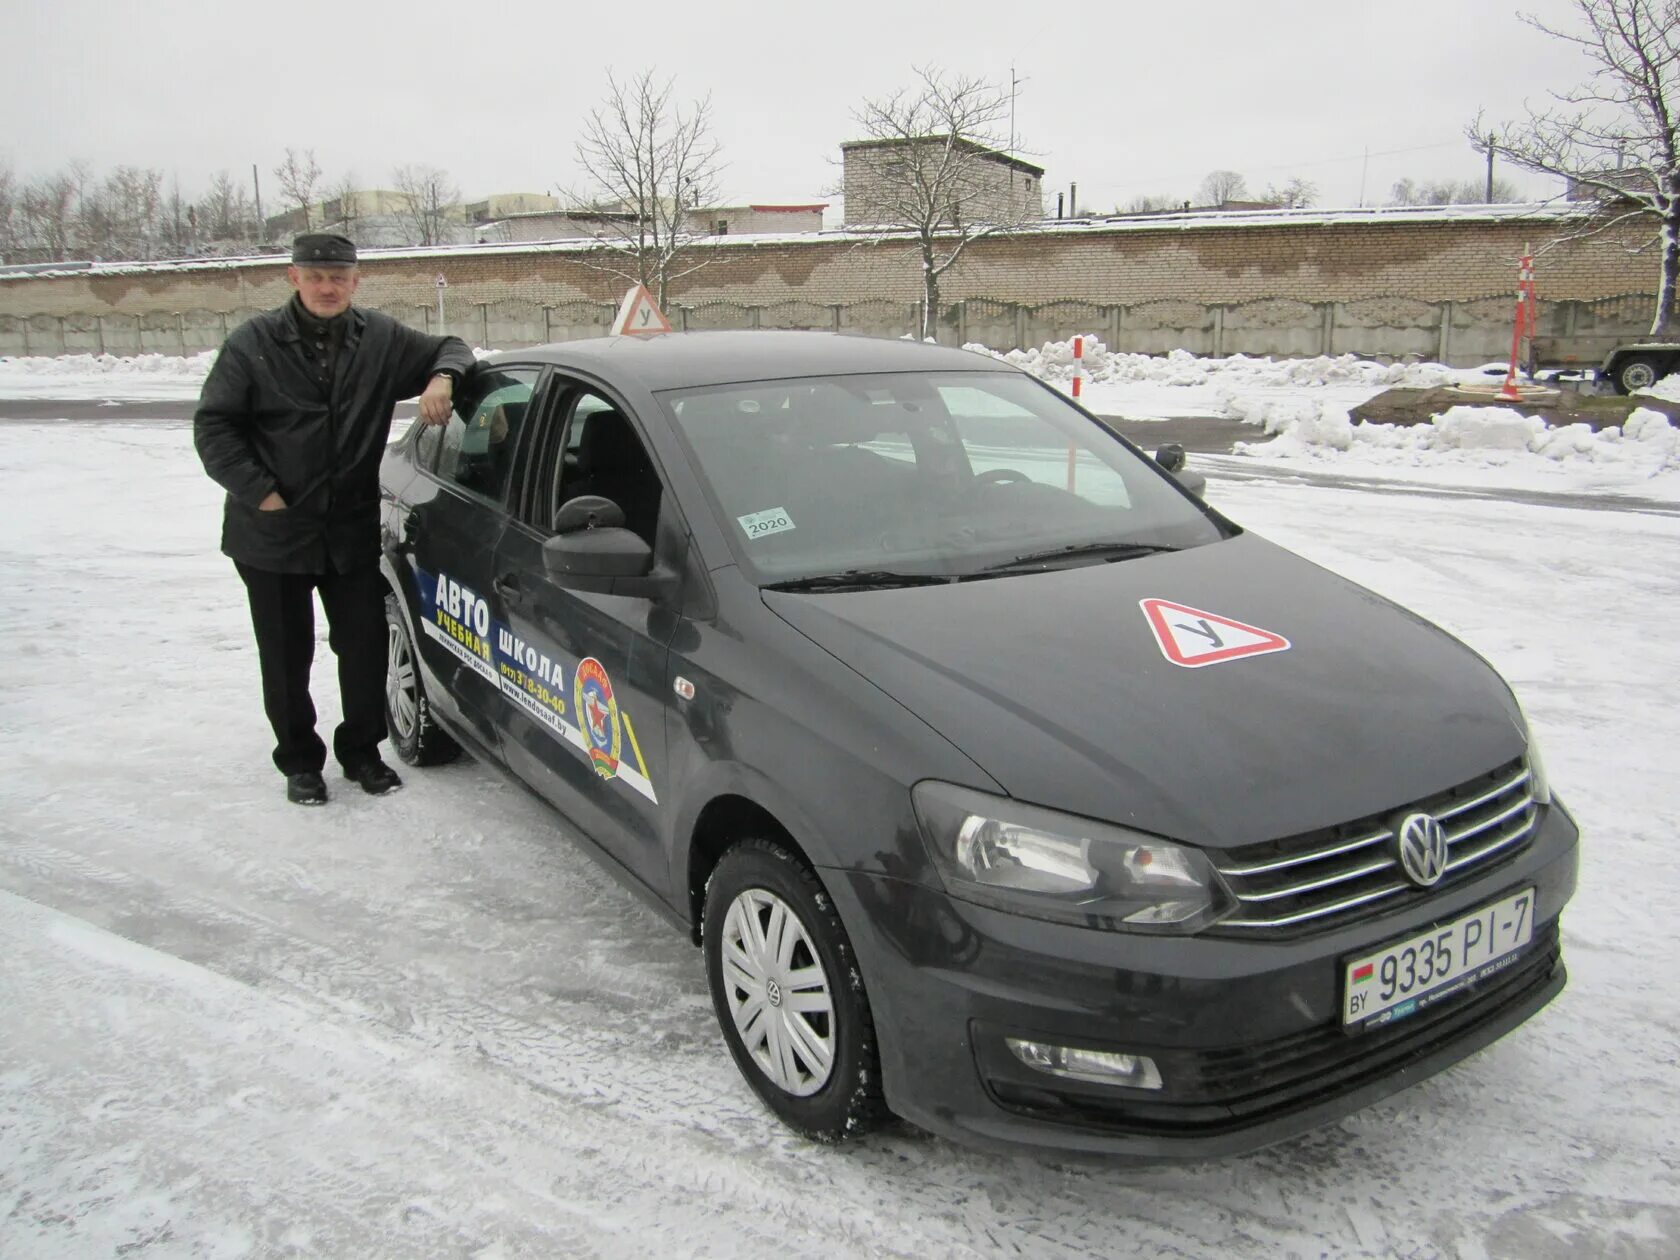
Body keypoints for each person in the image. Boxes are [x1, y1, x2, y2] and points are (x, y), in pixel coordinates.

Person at [194, 232, 474, 806]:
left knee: (364, 645)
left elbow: (451, 346)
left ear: (355, 281)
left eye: (338, 277)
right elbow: (214, 427)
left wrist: (442, 377)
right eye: (316, 276)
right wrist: (261, 493)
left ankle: (362, 752)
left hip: (347, 530)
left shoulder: (382, 340)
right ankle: (299, 761)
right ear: (294, 278)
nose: (327, 287)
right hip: (270, 534)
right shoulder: (254, 343)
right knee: (286, 653)